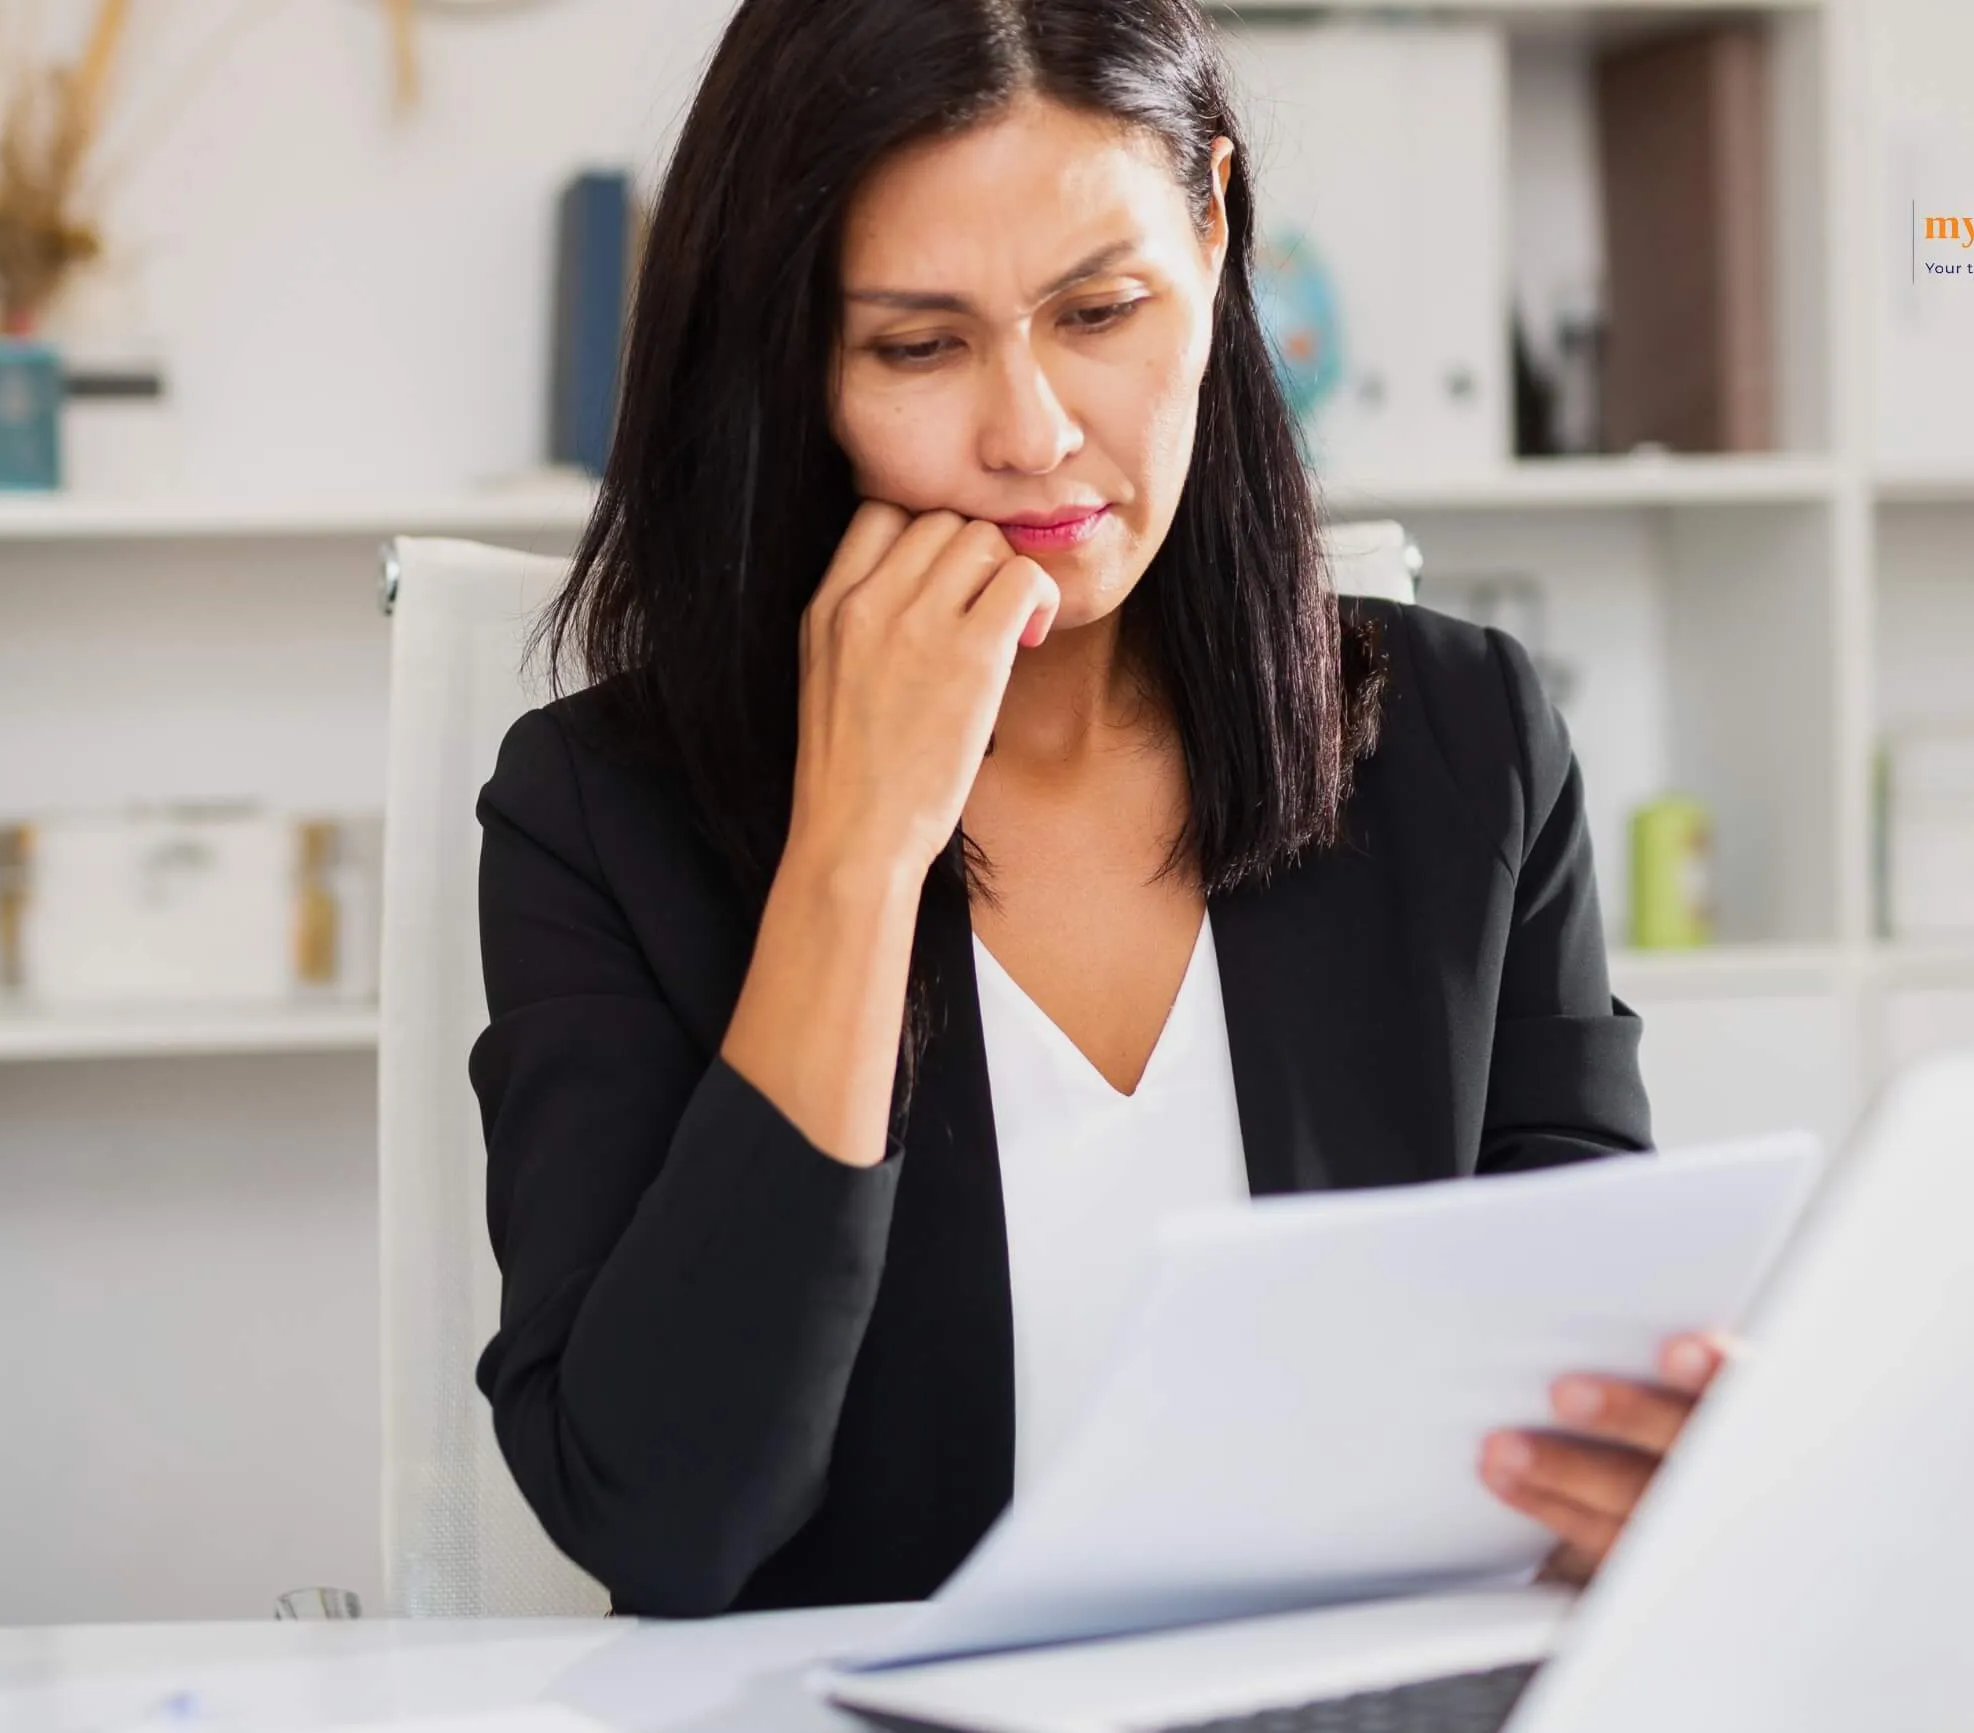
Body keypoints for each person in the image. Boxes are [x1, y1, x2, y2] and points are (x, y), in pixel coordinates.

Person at [469, 0, 1701, 1619]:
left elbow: (1578, 1381)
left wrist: (1652, 1463)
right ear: (793, 362)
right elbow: (669, 1518)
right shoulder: (597, 815)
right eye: (918, 345)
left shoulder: (1466, 744)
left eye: (1100, 311)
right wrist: (855, 848)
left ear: (1212, 236)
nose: (1033, 434)